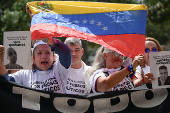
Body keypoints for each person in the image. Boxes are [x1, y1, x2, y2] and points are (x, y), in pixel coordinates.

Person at [0, 37, 71, 93]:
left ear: (54, 57)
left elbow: (66, 52)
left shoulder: (60, 69)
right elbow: (5, 80)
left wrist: (47, 39)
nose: (44, 56)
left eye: (47, 52)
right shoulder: (25, 74)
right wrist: (1, 61)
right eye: (39, 53)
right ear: (33, 59)